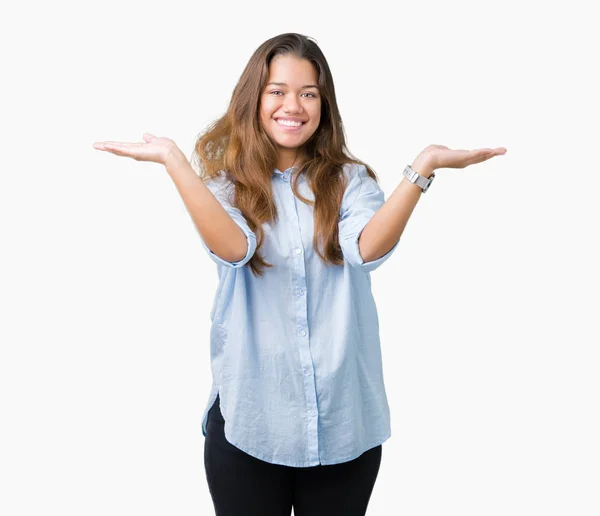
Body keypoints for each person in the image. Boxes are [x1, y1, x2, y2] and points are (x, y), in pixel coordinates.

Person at [93, 32, 506, 516]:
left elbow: (366, 252)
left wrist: (422, 168)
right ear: (255, 99)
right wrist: (175, 163)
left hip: (343, 426)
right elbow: (234, 249)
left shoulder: (350, 182)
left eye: (308, 93)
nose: (294, 105)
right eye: (278, 91)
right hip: (251, 425)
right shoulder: (223, 186)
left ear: (324, 104)